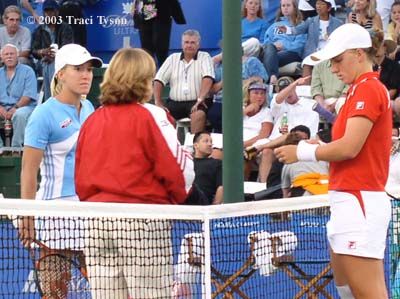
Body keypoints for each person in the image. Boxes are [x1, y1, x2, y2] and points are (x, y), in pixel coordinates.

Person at [275, 23, 392, 298]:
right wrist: (324, 146)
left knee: (367, 294)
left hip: (359, 201)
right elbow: (352, 148)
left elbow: (350, 148)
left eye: (338, 60)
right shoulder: (355, 90)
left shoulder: (368, 89)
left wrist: (302, 152)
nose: (334, 69)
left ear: (359, 54)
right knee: (347, 290)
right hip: (347, 199)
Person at [74, 48, 194, 298]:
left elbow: (81, 180)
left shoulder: (92, 120)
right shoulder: (153, 115)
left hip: (97, 222)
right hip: (143, 221)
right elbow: (179, 172)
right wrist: (177, 200)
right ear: (144, 79)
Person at [19, 43, 102, 298]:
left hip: (90, 209)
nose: (86, 75)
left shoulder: (89, 108)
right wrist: (27, 216)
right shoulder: (42, 115)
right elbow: (28, 171)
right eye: (78, 69)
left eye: (88, 69)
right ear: (61, 74)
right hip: (56, 214)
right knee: (56, 294)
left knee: (103, 287)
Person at [257, 76, 320, 183]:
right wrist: (294, 84)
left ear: (295, 89)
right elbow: (278, 99)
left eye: (290, 89)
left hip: (298, 141)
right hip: (275, 143)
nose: (288, 93)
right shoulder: (278, 105)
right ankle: (264, 185)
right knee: (267, 151)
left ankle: (258, 148)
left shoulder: (309, 105)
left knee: (289, 136)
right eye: (283, 90)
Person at [154, 29, 215, 133]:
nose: (189, 45)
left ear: (198, 45)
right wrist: (158, 101)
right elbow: (159, 80)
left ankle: (194, 147)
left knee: (198, 115)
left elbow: (208, 78)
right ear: (182, 44)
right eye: (186, 42)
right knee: (162, 116)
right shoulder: (172, 58)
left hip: (197, 101)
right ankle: (170, 146)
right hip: (174, 102)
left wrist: (200, 99)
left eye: (193, 42)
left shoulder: (205, 56)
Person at [280, 0, 343, 77]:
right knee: (307, 64)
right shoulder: (311, 21)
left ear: (329, 8)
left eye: (322, 4)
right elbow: (299, 29)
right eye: (317, 4)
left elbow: (342, 39)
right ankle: (305, 87)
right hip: (313, 53)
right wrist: (287, 30)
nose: (318, 6)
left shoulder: (338, 23)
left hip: (329, 53)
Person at [31, 0, 74, 102]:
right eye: (47, 12)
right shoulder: (39, 30)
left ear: (57, 13)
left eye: (52, 11)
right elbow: (33, 51)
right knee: (48, 63)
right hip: (42, 62)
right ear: (44, 13)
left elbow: (67, 48)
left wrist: (54, 55)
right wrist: (42, 52)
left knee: (52, 63)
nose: (49, 14)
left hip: (62, 62)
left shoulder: (65, 27)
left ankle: (50, 99)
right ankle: (54, 98)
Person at [0, 44, 37, 149]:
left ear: (17, 56)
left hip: (24, 107)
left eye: (12, 54)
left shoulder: (28, 71)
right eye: (6, 54)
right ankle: (1, 148)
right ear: (2, 57)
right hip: (3, 108)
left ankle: (16, 149)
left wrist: (15, 108)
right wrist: (1, 109)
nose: (9, 56)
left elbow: (28, 96)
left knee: (20, 115)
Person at [261, 0, 306, 85]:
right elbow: (266, 41)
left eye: (288, 5)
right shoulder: (275, 25)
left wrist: (284, 46)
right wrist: (273, 46)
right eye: (283, 6)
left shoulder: (300, 24)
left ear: (295, 7)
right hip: (273, 52)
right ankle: (272, 78)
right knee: (269, 49)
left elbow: (300, 45)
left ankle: (270, 79)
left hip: (291, 53)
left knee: (268, 58)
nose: (285, 8)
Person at [133, 0, 186, 66]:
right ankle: (148, 73)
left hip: (162, 10)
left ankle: (164, 73)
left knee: (161, 48)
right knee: (146, 49)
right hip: (144, 10)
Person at [192, 132, 223, 205]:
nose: (210, 144)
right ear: (196, 145)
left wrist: (214, 208)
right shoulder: (187, 162)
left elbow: (221, 187)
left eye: (211, 142)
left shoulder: (217, 163)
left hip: (205, 204)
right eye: (206, 141)